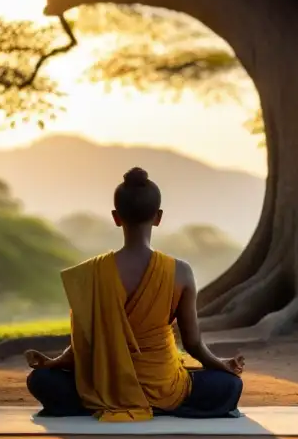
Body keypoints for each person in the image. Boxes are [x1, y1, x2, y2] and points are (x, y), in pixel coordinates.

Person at [24, 167, 245, 421]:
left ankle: (97, 403)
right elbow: (193, 344)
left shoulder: (92, 273)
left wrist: (53, 364)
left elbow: (83, 345)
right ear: (158, 217)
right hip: (164, 387)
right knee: (229, 386)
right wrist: (221, 364)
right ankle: (157, 404)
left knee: (41, 380)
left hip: (105, 385)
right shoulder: (180, 272)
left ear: (116, 217)